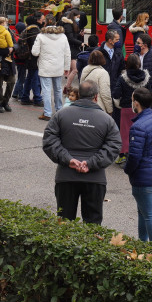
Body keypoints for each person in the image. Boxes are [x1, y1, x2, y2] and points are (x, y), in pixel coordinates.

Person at [41, 80, 121, 224]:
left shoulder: (61, 115)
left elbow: (49, 140)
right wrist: (90, 163)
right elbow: (114, 146)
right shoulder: (107, 120)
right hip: (94, 178)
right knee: (93, 226)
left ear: (79, 95)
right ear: (96, 97)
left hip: (66, 176)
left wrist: (68, 159)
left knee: (64, 223)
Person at [125, 86, 152, 242]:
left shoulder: (138, 127)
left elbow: (134, 157)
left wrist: (128, 170)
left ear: (137, 103)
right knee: (143, 211)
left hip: (144, 176)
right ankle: (142, 242)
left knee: (148, 213)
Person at [32, 22, 71, 121]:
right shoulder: (63, 36)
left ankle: (47, 113)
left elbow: (35, 52)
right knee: (58, 89)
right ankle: (59, 110)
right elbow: (67, 53)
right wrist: (66, 67)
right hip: (58, 67)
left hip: (45, 67)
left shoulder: (40, 36)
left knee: (46, 90)